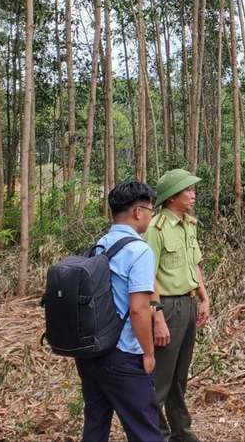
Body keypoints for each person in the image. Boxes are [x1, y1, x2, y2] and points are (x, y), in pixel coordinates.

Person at [75, 180, 164, 442]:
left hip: (92, 353)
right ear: (138, 212)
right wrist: (148, 353)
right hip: (123, 355)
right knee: (145, 431)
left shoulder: (98, 246)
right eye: (150, 211)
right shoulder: (138, 250)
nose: (150, 217)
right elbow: (138, 310)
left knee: (95, 426)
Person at [145, 169, 211, 442]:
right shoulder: (156, 228)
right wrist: (157, 316)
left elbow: (193, 264)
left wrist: (204, 297)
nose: (193, 195)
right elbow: (147, 274)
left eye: (193, 190)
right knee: (160, 379)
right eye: (188, 190)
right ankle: (151, 433)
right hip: (167, 307)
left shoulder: (189, 225)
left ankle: (181, 433)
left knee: (178, 377)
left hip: (188, 303)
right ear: (172, 197)